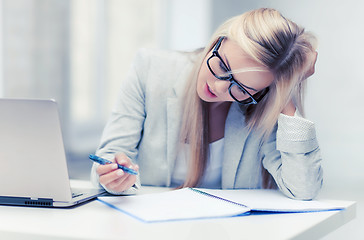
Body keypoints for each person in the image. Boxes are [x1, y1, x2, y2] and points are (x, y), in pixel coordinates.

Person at [91, 8, 322, 200]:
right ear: (218, 41)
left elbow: (303, 189)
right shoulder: (150, 70)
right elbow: (109, 156)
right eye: (223, 66)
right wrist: (115, 178)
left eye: (241, 89)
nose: (220, 88)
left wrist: (285, 90)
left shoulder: (262, 103)